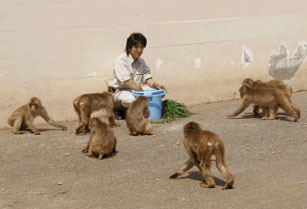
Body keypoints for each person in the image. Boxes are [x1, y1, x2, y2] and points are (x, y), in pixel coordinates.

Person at [108, 32, 166, 119]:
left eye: (141, 47)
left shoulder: (141, 61)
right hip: (119, 91)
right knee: (133, 99)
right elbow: (127, 82)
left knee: (161, 91)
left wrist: (154, 85)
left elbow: (148, 78)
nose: (139, 50)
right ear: (129, 47)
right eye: (136, 47)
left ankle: (135, 109)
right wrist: (140, 91)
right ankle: (117, 108)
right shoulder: (121, 60)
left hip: (136, 90)